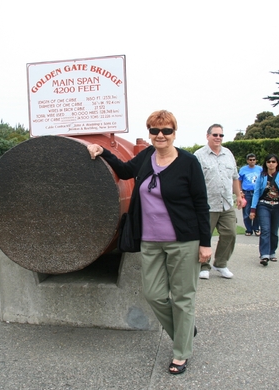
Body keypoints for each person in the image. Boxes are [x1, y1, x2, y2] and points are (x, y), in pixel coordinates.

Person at [87, 110, 211, 375]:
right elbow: (123, 170)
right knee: (154, 294)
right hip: (150, 240)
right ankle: (185, 330)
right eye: (154, 131)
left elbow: (201, 204)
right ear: (149, 133)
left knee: (182, 297)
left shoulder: (188, 162)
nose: (160, 136)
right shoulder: (145, 158)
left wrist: (205, 242)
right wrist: (102, 150)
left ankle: (181, 352)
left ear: (174, 133)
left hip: (184, 240)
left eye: (166, 131)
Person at [194, 123, 242, 280]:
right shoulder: (199, 155)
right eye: (215, 135)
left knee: (230, 233)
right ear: (208, 136)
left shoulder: (228, 154)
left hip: (226, 203)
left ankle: (220, 263)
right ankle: (203, 266)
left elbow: (235, 177)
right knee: (205, 236)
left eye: (221, 135)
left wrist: (239, 196)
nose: (218, 138)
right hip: (207, 205)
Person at [249, 154, 279, 266]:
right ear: (266, 163)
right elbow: (257, 192)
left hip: (277, 205)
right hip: (264, 205)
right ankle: (264, 254)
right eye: (269, 161)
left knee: (273, 231)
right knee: (265, 229)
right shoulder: (262, 176)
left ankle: (272, 251)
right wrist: (253, 209)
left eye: (273, 161)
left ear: (277, 163)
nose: (271, 164)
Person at [238, 153, 263, 236]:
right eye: (250, 160)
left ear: (256, 160)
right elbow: (239, 181)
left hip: (257, 192)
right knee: (246, 212)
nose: (252, 161)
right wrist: (240, 192)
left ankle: (256, 228)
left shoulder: (260, 169)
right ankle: (248, 229)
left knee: (257, 211)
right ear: (247, 161)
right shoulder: (243, 169)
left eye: (253, 160)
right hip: (247, 193)